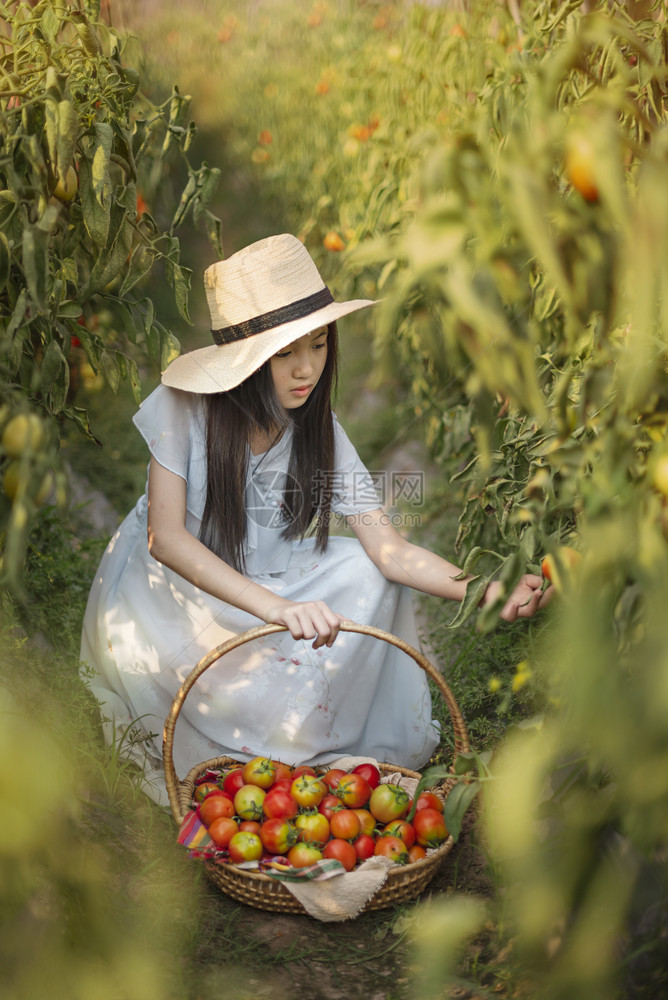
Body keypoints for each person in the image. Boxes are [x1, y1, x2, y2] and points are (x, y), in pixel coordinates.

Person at [80, 233, 549, 806]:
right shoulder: (187, 409)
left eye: (320, 345)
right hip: (177, 600)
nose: (307, 370)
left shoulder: (316, 425)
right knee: (243, 644)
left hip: (266, 578)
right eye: (285, 353)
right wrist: (279, 609)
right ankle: (250, 722)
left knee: (368, 570)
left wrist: (484, 589)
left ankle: (300, 731)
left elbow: (390, 550)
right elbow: (167, 539)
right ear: (246, 360)